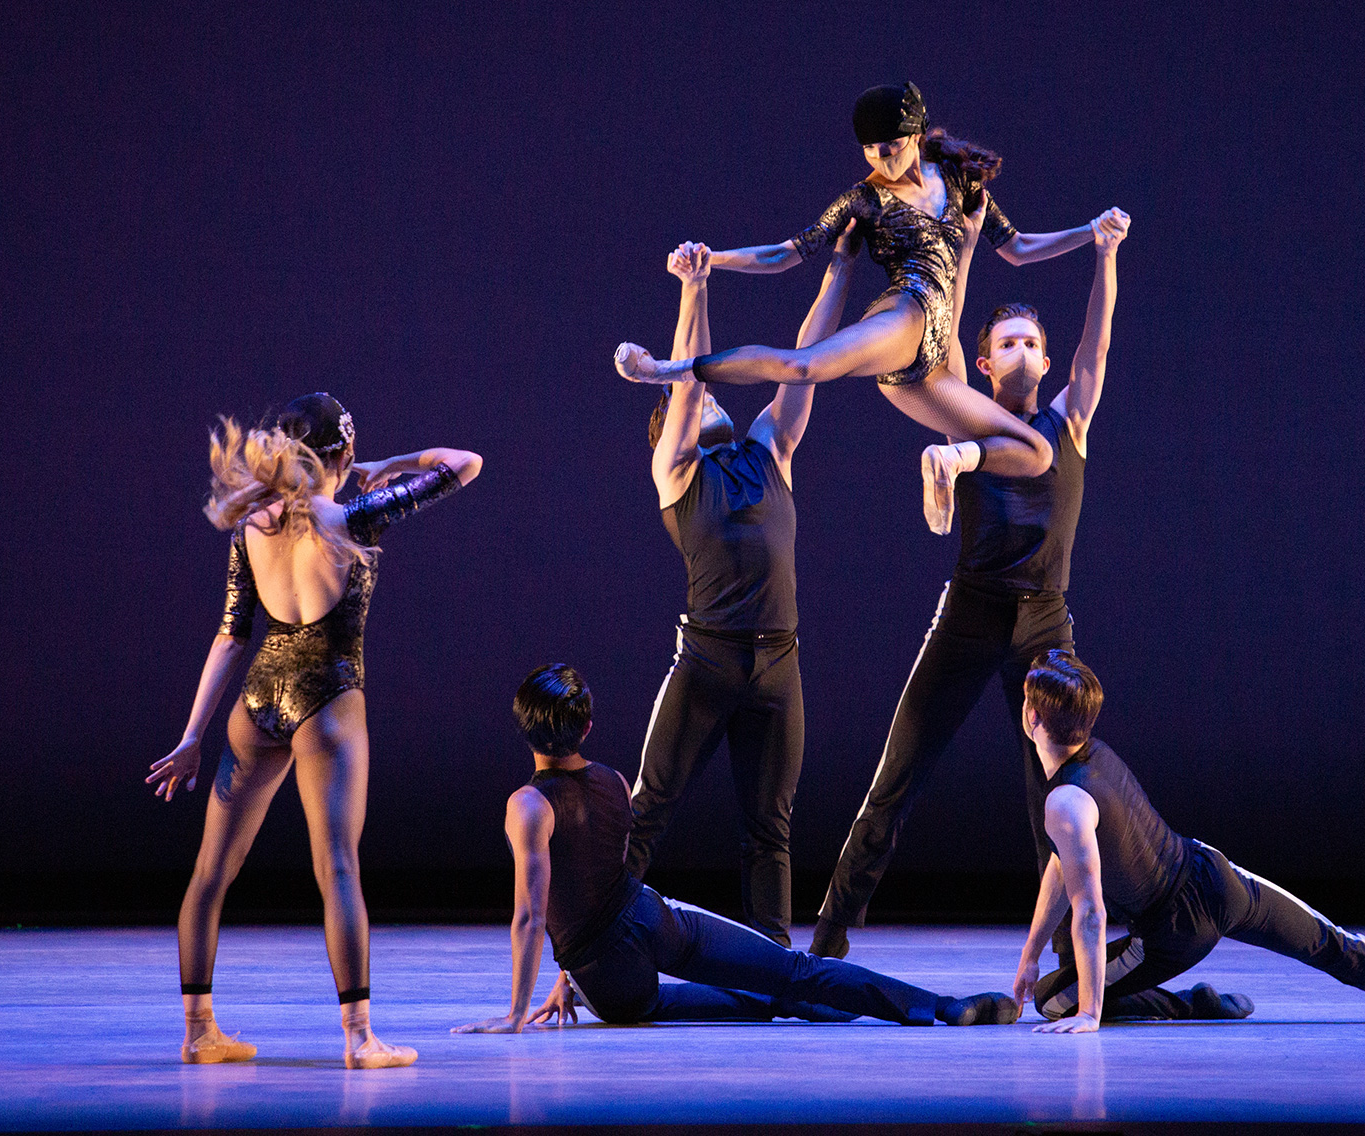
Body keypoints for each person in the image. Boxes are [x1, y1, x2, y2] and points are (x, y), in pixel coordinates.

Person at [810, 208, 1130, 959]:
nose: (1020, 350)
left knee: (1056, 793)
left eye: (1031, 342)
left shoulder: (1067, 423)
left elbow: (1099, 342)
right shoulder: (967, 418)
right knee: (898, 776)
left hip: (1046, 626)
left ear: (1045, 363)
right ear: (982, 365)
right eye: (1006, 343)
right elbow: (944, 319)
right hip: (970, 615)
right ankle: (826, 940)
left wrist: (1104, 255)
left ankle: (1065, 959)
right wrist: (962, 241)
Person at [613, 80, 1124, 534]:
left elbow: (1018, 249)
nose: (882, 161)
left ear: (917, 133)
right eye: (871, 151)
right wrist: (712, 258)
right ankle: (670, 368)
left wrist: (1092, 234)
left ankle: (947, 462)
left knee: (1037, 454)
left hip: (937, 360)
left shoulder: (959, 179)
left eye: (893, 147)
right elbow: (785, 253)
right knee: (803, 367)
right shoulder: (864, 199)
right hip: (905, 314)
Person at [147, 393, 482, 1067]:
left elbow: (230, 635)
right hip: (327, 699)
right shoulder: (351, 517)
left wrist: (191, 736)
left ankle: (197, 1031)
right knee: (337, 867)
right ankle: (360, 1040)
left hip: (258, 701)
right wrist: (393, 461)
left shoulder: (254, 524)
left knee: (211, 870)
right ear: (344, 453)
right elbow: (465, 463)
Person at [452, 664, 1021, 1030]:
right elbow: (586, 890)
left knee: (769, 994)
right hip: (649, 923)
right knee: (792, 974)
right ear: (588, 728)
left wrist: (522, 1009)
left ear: (525, 729)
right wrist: (561, 979)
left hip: (610, 974)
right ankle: (942, 1006)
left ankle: (905, 1008)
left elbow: (539, 913)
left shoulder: (527, 804)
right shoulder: (613, 780)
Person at [1010, 651, 1365, 1031]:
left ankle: (1184, 1004)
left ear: (1032, 720)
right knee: (1330, 941)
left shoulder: (1065, 804)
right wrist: (1032, 952)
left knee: (1054, 1001)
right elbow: (1062, 865)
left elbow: (1091, 912)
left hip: (1173, 929)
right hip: (1214, 873)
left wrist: (1091, 1013)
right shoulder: (1095, 753)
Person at [623, 230, 855, 945]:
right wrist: (694, 287)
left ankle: (773, 959)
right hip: (708, 661)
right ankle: (594, 937)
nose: (708, 400)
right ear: (669, 428)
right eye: (688, 405)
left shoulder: (770, 450)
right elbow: (690, 380)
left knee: (769, 826)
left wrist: (841, 269)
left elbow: (805, 366)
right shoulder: (678, 474)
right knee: (651, 805)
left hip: (779, 663)